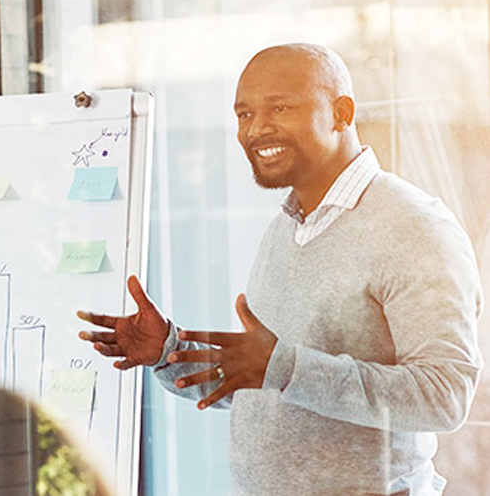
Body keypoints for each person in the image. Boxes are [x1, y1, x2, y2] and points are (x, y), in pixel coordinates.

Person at [78, 44, 483, 496]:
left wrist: (284, 367)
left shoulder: (415, 227)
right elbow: (269, 381)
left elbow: (443, 396)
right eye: (244, 114)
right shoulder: (285, 228)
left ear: (342, 113)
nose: (257, 129)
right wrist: (170, 351)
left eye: (281, 107)